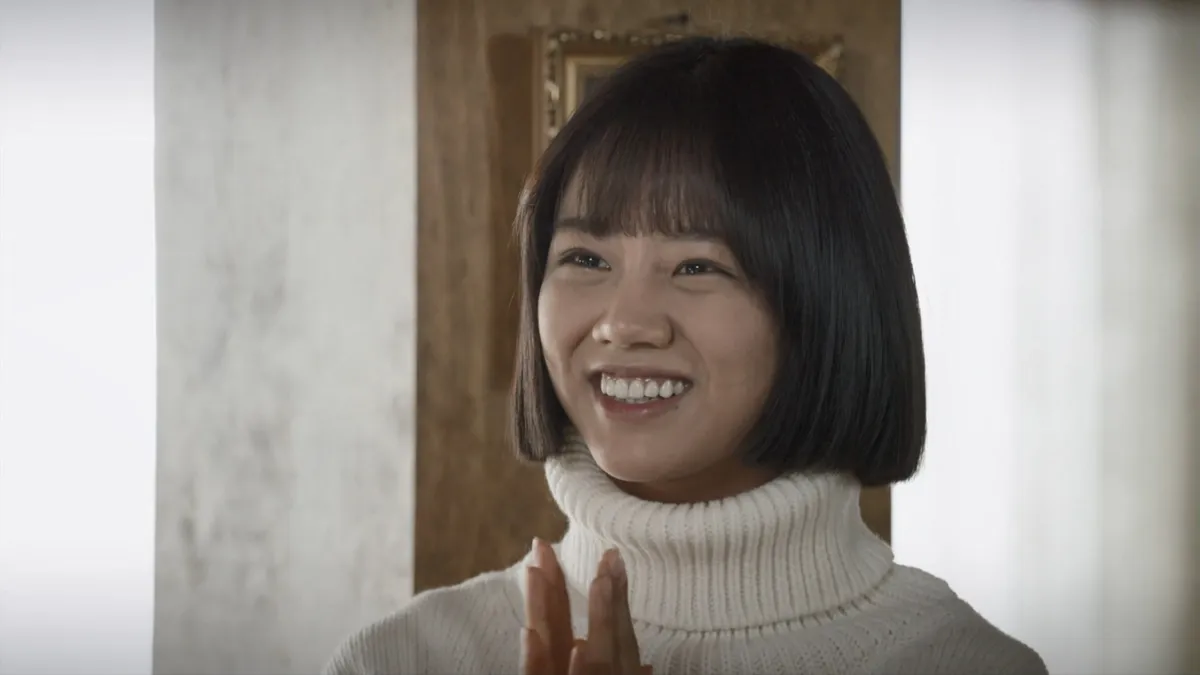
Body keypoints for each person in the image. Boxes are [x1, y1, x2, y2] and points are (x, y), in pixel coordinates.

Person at [324, 36, 1047, 675]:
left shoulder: (966, 664)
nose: (624, 323)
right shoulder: (399, 659)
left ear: (830, 303)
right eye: (585, 257)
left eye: (698, 266)